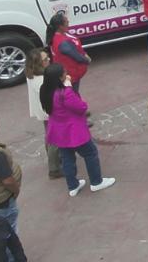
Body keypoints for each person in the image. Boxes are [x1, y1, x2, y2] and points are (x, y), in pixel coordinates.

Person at [40, 64, 114, 197]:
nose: (66, 73)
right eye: (64, 72)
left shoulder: (44, 90)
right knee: (90, 153)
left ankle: (73, 185)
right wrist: (68, 87)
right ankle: (96, 182)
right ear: (59, 77)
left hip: (58, 131)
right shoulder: (65, 93)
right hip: (74, 131)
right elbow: (81, 107)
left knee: (67, 157)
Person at [25, 48, 61, 179]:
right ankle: (54, 168)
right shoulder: (41, 79)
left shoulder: (31, 74)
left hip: (43, 111)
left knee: (49, 135)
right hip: (49, 112)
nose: (49, 60)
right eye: (45, 59)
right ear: (38, 63)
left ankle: (56, 162)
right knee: (54, 140)